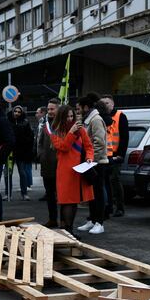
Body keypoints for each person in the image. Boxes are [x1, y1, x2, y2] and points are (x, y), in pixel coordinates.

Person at [50, 105, 95, 234]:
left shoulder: (80, 129)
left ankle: (68, 229)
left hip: (79, 169)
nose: (70, 119)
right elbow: (64, 147)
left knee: (73, 201)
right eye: (67, 117)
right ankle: (67, 230)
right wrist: (71, 133)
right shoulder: (55, 132)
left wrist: (89, 158)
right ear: (61, 118)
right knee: (66, 201)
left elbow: (89, 146)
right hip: (65, 171)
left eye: (71, 116)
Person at [76, 93, 108, 235]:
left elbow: (99, 142)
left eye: (80, 108)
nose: (78, 110)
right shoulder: (88, 119)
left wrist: (90, 159)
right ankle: (92, 219)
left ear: (86, 107)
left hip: (97, 162)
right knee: (91, 193)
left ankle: (99, 222)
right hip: (90, 162)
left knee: (98, 193)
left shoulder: (95, 120)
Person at [100, 95, 128, 217]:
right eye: (103, 103)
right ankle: (109, 206)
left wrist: (121, 154)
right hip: (106, 155)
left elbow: (124, 137)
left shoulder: (120, 116)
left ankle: (120, 207)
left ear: (112, 104)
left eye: (107, 103)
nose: (105, 105)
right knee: (106, 182)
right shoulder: (102, 118)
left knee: (114, 180)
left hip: (116, 155)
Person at [36, 99, 60, 227]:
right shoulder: (44, 123)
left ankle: (64, 221)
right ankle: (52, 219)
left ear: (58, 109)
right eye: (48, 109)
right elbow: (39, 141)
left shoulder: (63, 123)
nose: (49, 111)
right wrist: (40, 155)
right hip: (46, 164)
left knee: (61, 195)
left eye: (52, 109)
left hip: (60, 165)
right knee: (50, 195)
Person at [9, 105, 35, 201]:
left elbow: (30, 137)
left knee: (22, 172)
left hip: (21, 151)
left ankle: (24, 193)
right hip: (10, 151)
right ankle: (8, 194)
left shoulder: (25, 122)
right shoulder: (8, 121)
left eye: (19, 112)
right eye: (15, 111)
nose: (16, 113)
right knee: (8, 173)